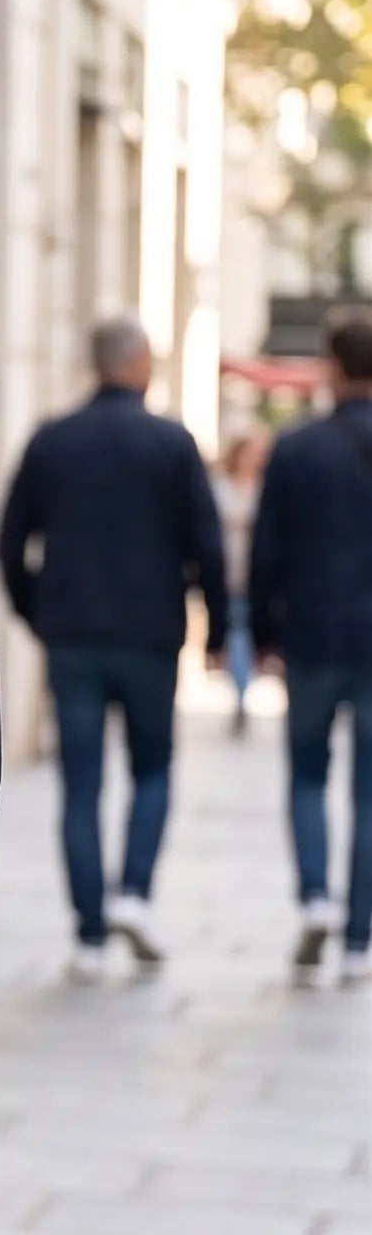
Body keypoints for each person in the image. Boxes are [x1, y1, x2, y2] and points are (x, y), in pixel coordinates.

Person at [0, 314, 228, 980]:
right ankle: (134, 895)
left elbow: (9, 542)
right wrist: (215, 627)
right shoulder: (172, 443)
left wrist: (36, 611)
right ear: (141, 363)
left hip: (72, 637)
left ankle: (90, 937)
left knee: (81, 786)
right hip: (151, 636)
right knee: (152, 770)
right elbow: (207, 544)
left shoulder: (53, 439)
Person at [250, 310, 372, 985]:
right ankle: (359, 942)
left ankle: (317, 897)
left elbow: (267, 550)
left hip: (314, 636)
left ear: (332, 366)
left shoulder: (297, 448)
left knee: (307, 775)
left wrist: (263, 633)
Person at [211, 428, 266, 734]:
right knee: (237, 637)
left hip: (256, 578)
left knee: (245, 637)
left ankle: (243, 690)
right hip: (228, 574)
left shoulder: (266, 487)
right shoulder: (219, 486)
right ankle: (240, 691)